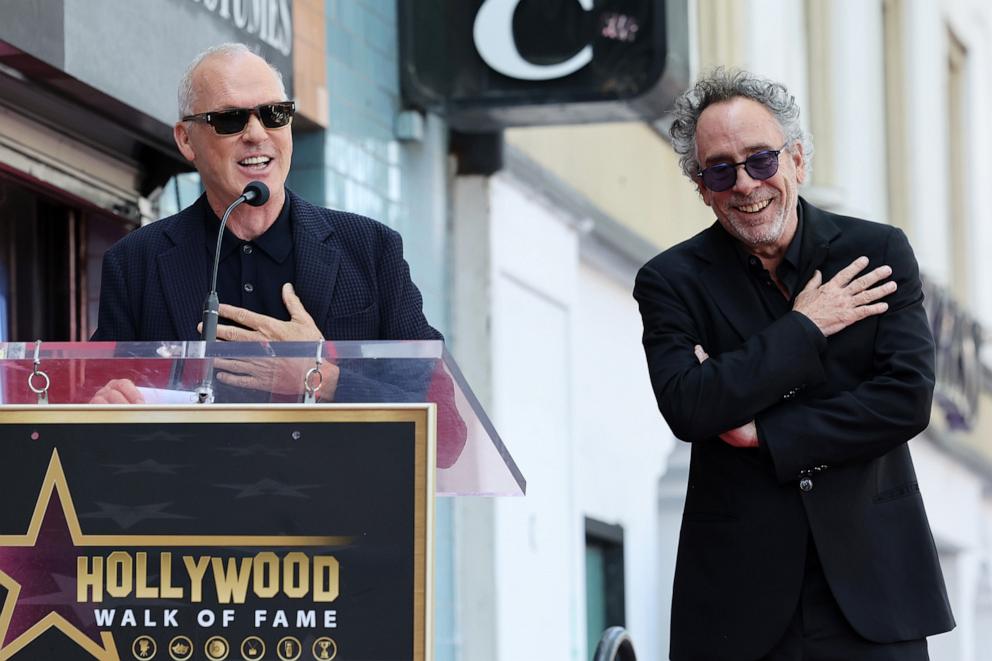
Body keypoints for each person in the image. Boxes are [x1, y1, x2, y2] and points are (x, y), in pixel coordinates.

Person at [633, 68, 954, 660]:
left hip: (873, 592)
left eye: (760, 160)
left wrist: (765, 432)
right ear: (701, 187)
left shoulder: (877, 253)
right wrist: (806, 327)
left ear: (798, 160)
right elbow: (690, 405)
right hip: (737, 605)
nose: (746, 185)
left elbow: (905, 399)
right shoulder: (669, 282)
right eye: (720, 170)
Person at [89, 43, 439, 404]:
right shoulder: (135, 263)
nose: (257, 134)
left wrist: (319, 377)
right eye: (230, 119)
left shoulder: (370, 249)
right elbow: (105, 408)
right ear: (186, 139)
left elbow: (445, 426)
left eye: (274, 114)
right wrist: (103, 408)